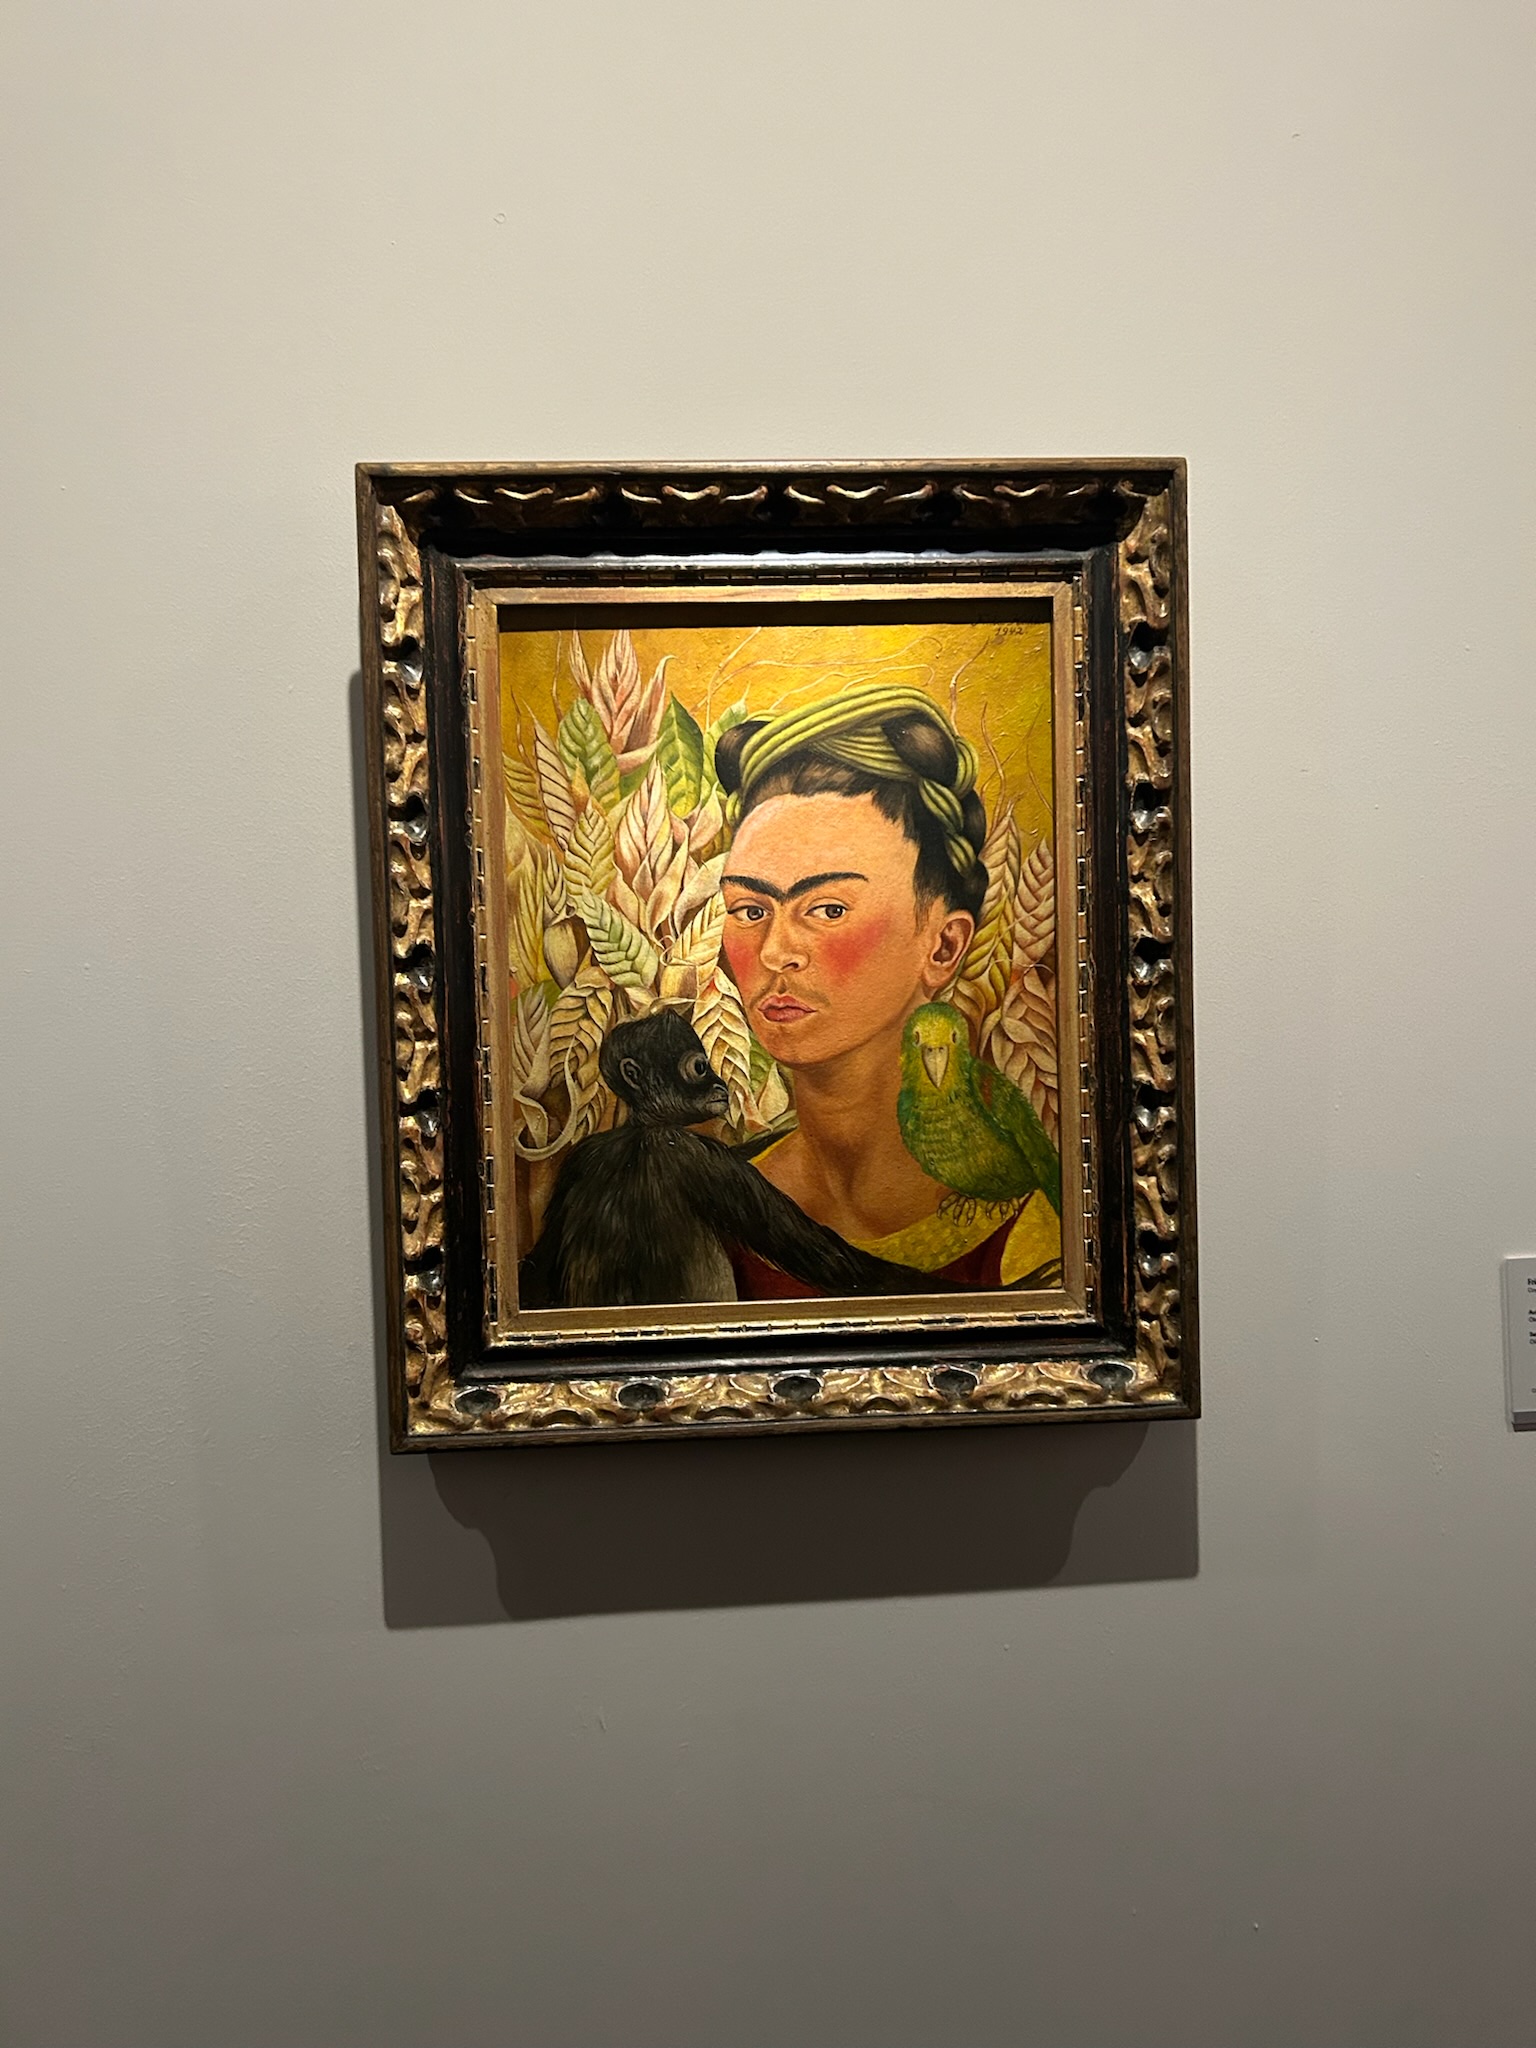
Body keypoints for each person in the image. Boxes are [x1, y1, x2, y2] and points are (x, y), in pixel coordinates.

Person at [712, 683, 1059, 1298]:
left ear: (943, 947)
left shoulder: (1036, 1244)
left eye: (828, 909)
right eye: (749, 910)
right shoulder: (702, 1208)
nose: (774, 952)